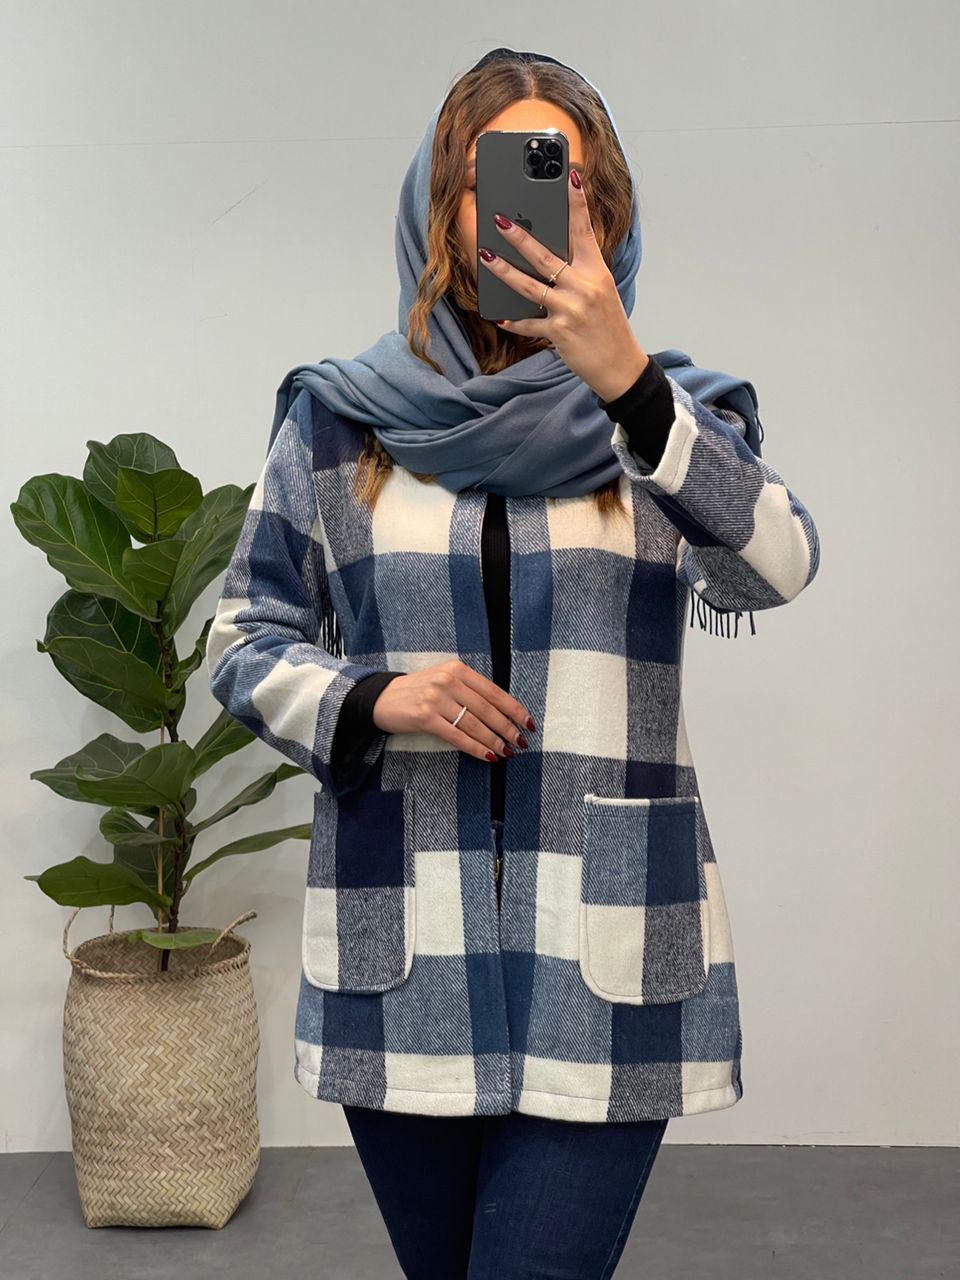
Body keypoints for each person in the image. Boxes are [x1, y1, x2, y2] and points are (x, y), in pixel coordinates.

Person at [206, 46, 820, 1280]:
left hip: (606, 951)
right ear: (445, 207)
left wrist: (628, 384)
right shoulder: (341, 418)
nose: (536, 211)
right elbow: (240, 635)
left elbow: (779, 563)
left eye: (566, 179)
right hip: (404, 952)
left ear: (605, 209)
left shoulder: (671, 414)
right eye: (502, 182)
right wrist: (374, 695)